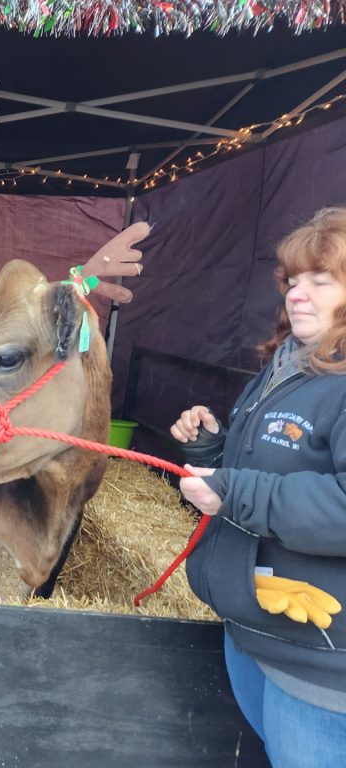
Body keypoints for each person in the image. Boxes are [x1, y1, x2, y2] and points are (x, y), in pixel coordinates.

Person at [170, 207, 346, 767]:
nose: (299, 294)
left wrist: (235, 491)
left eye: (322, 280)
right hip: (257, 627)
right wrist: (213, 451)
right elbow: (276, 466)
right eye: (294, 281)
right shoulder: (288, 366)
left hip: (319, 662)